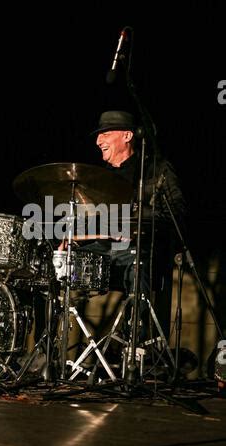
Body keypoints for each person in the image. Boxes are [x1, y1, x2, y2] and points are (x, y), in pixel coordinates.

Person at [77, 110, 186, 344]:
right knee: (52, 265)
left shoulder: (156, 170)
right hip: (102, 251)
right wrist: (74, 237)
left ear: (127, 135)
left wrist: (134, 215)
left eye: (105, 133)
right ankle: (47, 352)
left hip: (138, 250)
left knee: (138, 263)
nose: (98, 141)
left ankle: (137, 347)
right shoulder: (98, 178)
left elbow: (175, 214)